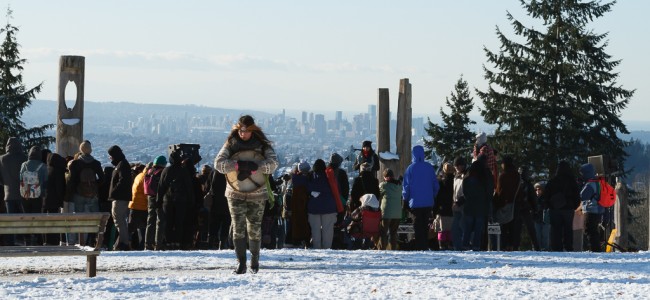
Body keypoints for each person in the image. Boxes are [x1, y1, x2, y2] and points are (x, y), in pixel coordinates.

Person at [214, 115, 278, 274]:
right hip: (235, 193)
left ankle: (255, 260)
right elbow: (218, 164)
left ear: (252, 130)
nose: (243, 134)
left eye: (247, 131)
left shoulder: (262, 146)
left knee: (254, 228)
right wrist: (236, 165)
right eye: (241, 131)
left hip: (257, 193)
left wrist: (257, 166)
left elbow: (274, 164)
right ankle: (241, 262)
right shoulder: (231, 144)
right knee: (238, 227)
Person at [402, 145, 439, 251]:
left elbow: (406, 187)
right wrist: (433, 196)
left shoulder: (410, 169)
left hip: (415, 203)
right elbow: (435, 185)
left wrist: (405, 199)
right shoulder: (429, 167)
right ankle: (425, 244)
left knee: (417, 226)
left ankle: (420, 246)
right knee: (425, 225)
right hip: (428, 203)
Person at [68, 140, 104, 242]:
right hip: (92, 194)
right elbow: (102, 179)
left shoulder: (75, 163)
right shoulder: (96, 163)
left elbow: (72, 180)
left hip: (78, 194)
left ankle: (80, 240)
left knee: (79, 217)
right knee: (94, 219)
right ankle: (93, 239)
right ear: (91, 150)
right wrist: (94, 186)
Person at [544, 160, 580, 252]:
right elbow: (577, 195)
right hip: (568, 209)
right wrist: (574, 206)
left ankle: (556, 247)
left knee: (556, 229)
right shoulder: (572, 181)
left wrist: (549, 205)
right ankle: (568, 247)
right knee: (568, 229)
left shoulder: (552, 181)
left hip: (555, 209)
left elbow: (546, 195)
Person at [461, 158, 494, 251]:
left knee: (467, 227)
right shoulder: (484, 178)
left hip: (469, 206)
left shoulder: (467, 178)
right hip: (481, 206)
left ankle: (465, 244)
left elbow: (464, 192)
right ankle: (476, 246)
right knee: (478, 228)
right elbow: (489, 192)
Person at [18, 146, 48, 245]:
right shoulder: (43, 166)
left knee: (26, 216)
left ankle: (27, 239)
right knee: (36, 217)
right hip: (37, 195)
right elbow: (45, 183)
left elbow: (20, 178)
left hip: (25, 195)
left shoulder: (24, 165)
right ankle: (37, 239)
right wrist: (44, 196)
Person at [307, 159, 339, 249]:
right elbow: (336, 189)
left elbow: (307, 188)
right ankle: (327, 248)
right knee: (328, 230)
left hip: (314, 207)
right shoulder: (329, 176)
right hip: (329, 207)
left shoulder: (310, 177)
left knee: (315, 230)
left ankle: (317, 247)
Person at [107, 145, 133, 251]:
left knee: (119, 220)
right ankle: (120, 243)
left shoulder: (122, 165)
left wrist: (114, 192)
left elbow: (123, 181)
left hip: (120, 198)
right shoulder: (121, 164)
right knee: (120, 221)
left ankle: (124, 242)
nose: (110, 158)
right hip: (120, 197)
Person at [579, 163, 605, 252]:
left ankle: (594, 249)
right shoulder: (599, 183)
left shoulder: (589, 184)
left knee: (589, 230)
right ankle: (596, 248)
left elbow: (583, 196)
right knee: (594, 230)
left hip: (591, 210)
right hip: (599, 209)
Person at [43, 152, 67, 245]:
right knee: (55, 221)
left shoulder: (47, 169)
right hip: (55, 201)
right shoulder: (58, 171)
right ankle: (54, 241)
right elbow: (59, 188)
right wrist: (62, 200)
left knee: (48, 221)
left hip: (46, 200)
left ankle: (47, 240)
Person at [144, 155, 166, 250]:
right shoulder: (161, 172)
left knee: (150, 221)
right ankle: (158, 244)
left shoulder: (149, 171)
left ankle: (147, 244)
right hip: (159, 198)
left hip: (150, 197)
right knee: (160, 221)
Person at [377, 168, 402, 250]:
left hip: (386, 213)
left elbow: (378, 195)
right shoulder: (399, 185)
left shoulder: (383, 185)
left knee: (383, 232)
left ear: (385, 177)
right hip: (397, 213)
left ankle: (382, 249)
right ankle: (393, 249)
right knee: (393, 233)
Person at [433, 162, 454, 250]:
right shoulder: (455, 180)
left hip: (442, 209)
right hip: (452, 208)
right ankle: (450, 245)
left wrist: (435, 210)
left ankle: (441, 245)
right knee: (451, 230)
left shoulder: (440, 182)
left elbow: (437, 197)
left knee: (441, 230)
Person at [129, 163, 148, 250]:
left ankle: (127, 245)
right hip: (142, 206)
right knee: (142, 228)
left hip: (134, 204)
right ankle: (141, 246)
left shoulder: (139, 176)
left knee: (131, 228)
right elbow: (146, 193)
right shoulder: (146, 177)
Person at [451, 156, 467, 251]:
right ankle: (458, 247)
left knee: (460, 227)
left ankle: (462, 246)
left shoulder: (465, 176)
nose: (457, 167)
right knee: (456, 229)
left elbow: (465, 192)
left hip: (462, 204)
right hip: (456, 204)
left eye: (458, 165)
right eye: (455, 166)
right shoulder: (456, 177)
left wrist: (459, 202)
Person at [533, 181, 550, 251]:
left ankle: (545, 249)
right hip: (537, 219)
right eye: (536, 189)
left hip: (545, 219)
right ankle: (537, 249)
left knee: (545, 236)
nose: (537, 191)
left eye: (539, 189)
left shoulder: (547, 198)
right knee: (537, 236)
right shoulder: (534, 198)